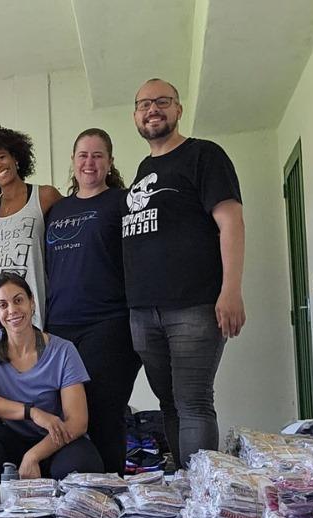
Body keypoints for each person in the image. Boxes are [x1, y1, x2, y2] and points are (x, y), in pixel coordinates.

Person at [123, 78, 246, 471]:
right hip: (144, 311)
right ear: (136, 116)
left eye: (162, 102)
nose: (152, 109)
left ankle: (202, 495)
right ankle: (183, 489)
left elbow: (232, 222)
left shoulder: (204, 155)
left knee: (192, 402)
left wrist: (231, 290)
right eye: (144, 104)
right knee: (169, 404)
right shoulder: (143, 170)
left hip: (193, 305)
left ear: (178, 110)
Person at [45, 128, 142, 474]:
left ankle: (110, 491)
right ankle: (76, 501)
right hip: (58, 328)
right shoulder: (57, 210)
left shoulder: (122, 202)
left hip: (109, 323)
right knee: (61, 414)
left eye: (98, 155)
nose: (90, 162)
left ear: (110, 162)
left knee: (103, 411)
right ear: (72, 162)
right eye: (83, 155)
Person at [0, 272, 104, 501]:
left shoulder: (63, 350)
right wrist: (32, 412)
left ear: (32, 302)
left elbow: (77, 422)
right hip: (9, 447)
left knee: (83, 465)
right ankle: (9, 503)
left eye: (18, 300)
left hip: (54, 443)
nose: (12, 310)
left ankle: (59, 513)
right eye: (3, 305)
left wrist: (33, 455)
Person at [0, 126, 62, 330]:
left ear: (15, 156)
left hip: (26, 306)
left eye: (1, 157)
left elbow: (73, 222)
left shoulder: (44, 196)